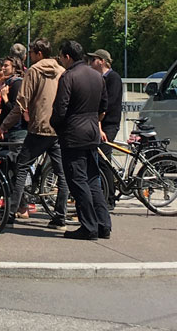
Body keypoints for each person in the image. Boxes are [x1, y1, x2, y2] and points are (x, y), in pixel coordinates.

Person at [0, 38, 72, 228]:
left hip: (38, 128)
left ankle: (11, 213)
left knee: (21, 168)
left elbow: (21, 104)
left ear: (38, 54)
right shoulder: (62, 71)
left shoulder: (34, 71)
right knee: (62, 174)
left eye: (32, 53)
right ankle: (60, 217)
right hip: (58, 129)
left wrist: (4, 126)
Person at [51, 40, 111, 241]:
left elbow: (60, 109)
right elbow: (104, 105)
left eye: (61, 56)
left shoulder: (69, 77)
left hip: (74, 134)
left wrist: (57, 126)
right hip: (92, 131)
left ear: (67, 57)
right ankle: (103, 224)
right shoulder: (97, 76)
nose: (60, 60)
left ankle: (88, 226)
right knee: (93, 179)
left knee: (77, 180)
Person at [88, 49, 123, 156]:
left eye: (93, 59)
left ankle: (109, 173)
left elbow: (109, 103)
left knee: (103, 157)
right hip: (98, 122)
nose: (90, 63)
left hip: (109, 123)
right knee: (95, 156)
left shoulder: (113, 77)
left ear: (102, 61)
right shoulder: (97, 78)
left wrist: (99, 121)